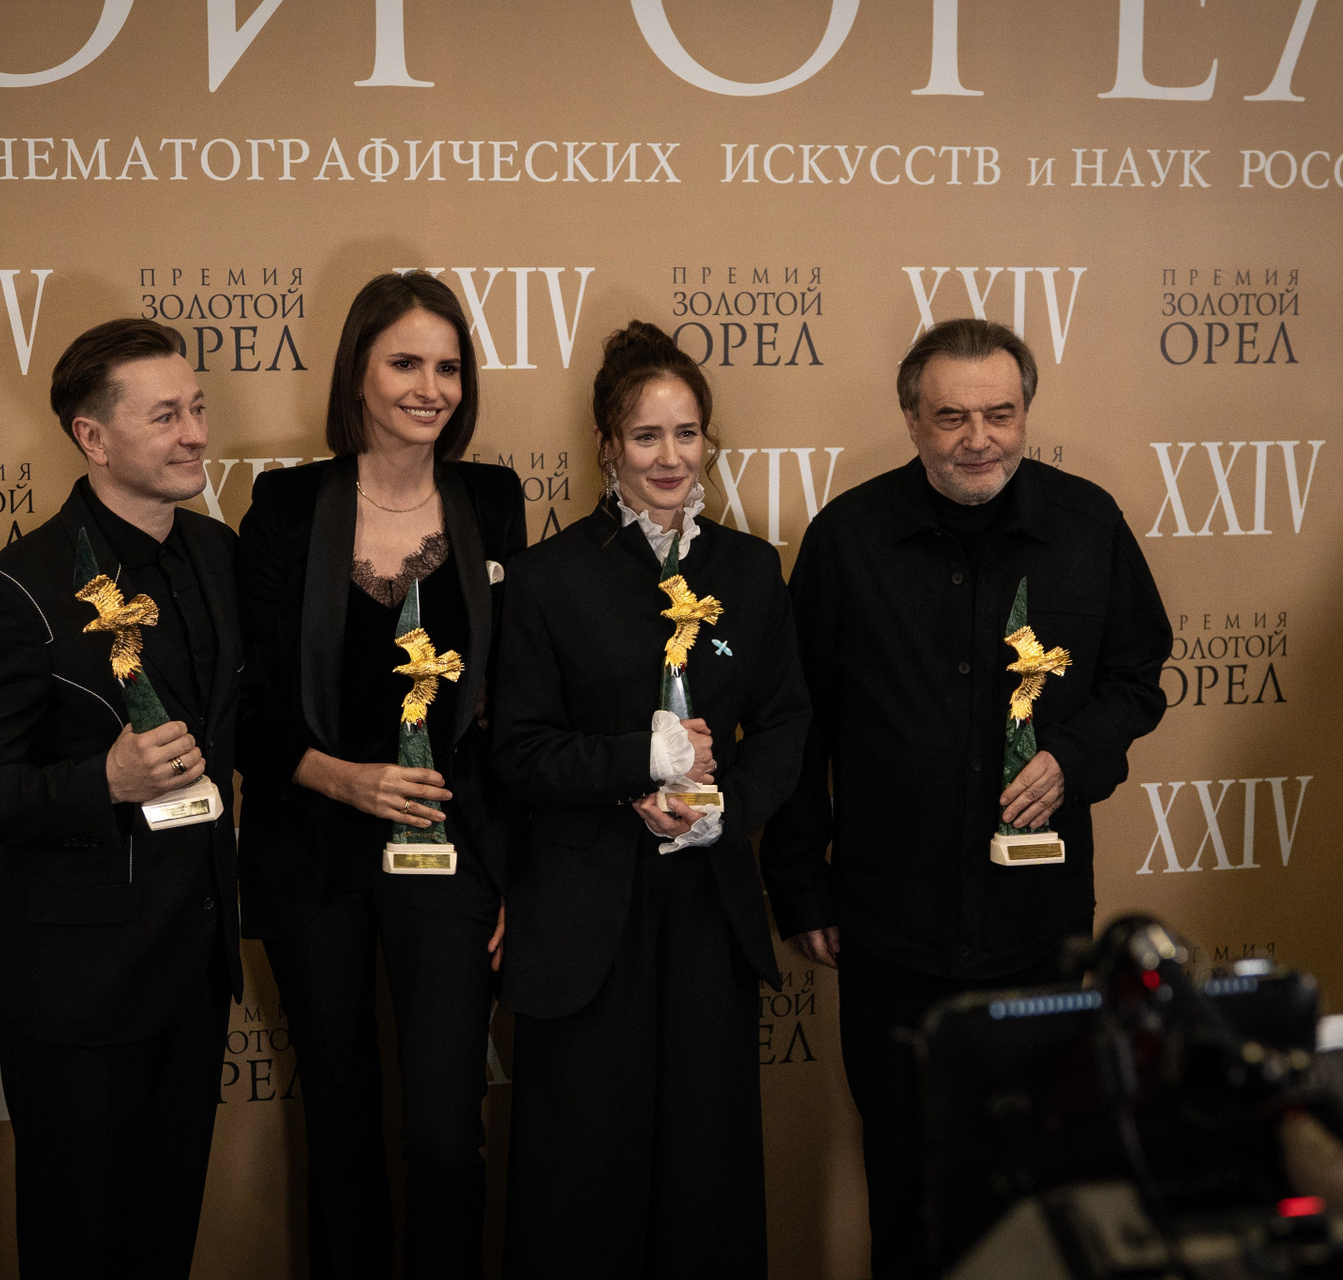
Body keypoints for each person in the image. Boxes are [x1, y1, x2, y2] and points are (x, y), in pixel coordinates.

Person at [760, 317, 1172, 1278]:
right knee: (907, 1185)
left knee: (1034, 1186)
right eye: (952, 417)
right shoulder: (847, 539)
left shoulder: (1090, 525)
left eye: (1000, 414)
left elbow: (1136, 677)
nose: (978, 438)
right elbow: (796, 722)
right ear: (913, 420)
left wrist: (1072, 757)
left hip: (1039, 926)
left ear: (1026, 414)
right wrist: (802, 884)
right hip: (888, 928)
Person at [493, 321, 811, 1279]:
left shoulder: (750, 570)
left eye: (686, 434)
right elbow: (517, 751)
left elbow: (787, 723)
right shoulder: (546, 579)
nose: (669, 457)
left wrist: (727, 809)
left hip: (708, 908)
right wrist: (636, 763)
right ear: (607, 446)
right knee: (581, 1176)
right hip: (583, 917)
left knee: (706, 1178)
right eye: (645, 436)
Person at [0, 318, 243, 1279]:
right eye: (166, 416)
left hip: (194, 970)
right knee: (77, 1247)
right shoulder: (16, 589)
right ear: (93, 437)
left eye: (197, 408)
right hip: (79, 991)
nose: (196, 433)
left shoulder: (218, 554)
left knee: (162, 1244)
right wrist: (103, 781)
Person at [234, 272, 524, 1280]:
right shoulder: (285, 507)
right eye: (405, 362)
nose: (429, 388)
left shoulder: (493, 501)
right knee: (341, 1118)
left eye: (448, 367)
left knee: (445, 1131)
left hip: (450, 848)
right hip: (313, 849)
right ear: (358, 369)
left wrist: (514, 868)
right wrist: (338, 777)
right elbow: (242, 703)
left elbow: (514, 701)